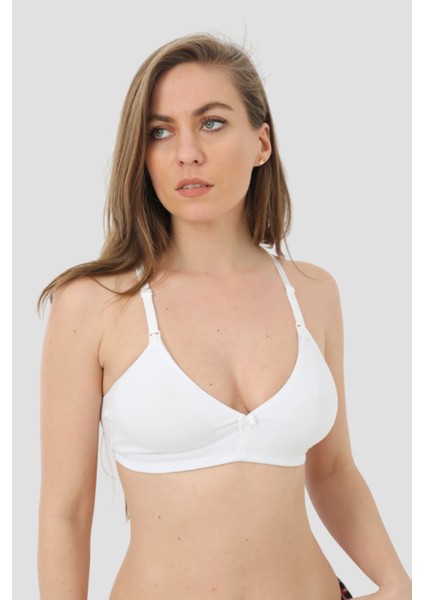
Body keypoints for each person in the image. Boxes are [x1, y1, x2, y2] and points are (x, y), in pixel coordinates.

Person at [37, 32, 411, 600]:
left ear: (261, 143)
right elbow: (66, 511)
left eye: (211, 123)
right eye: (160, 131)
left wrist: (396, 581)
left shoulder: (313, 292)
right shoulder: (93, 305)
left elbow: (333, 468)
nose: (187, 152)